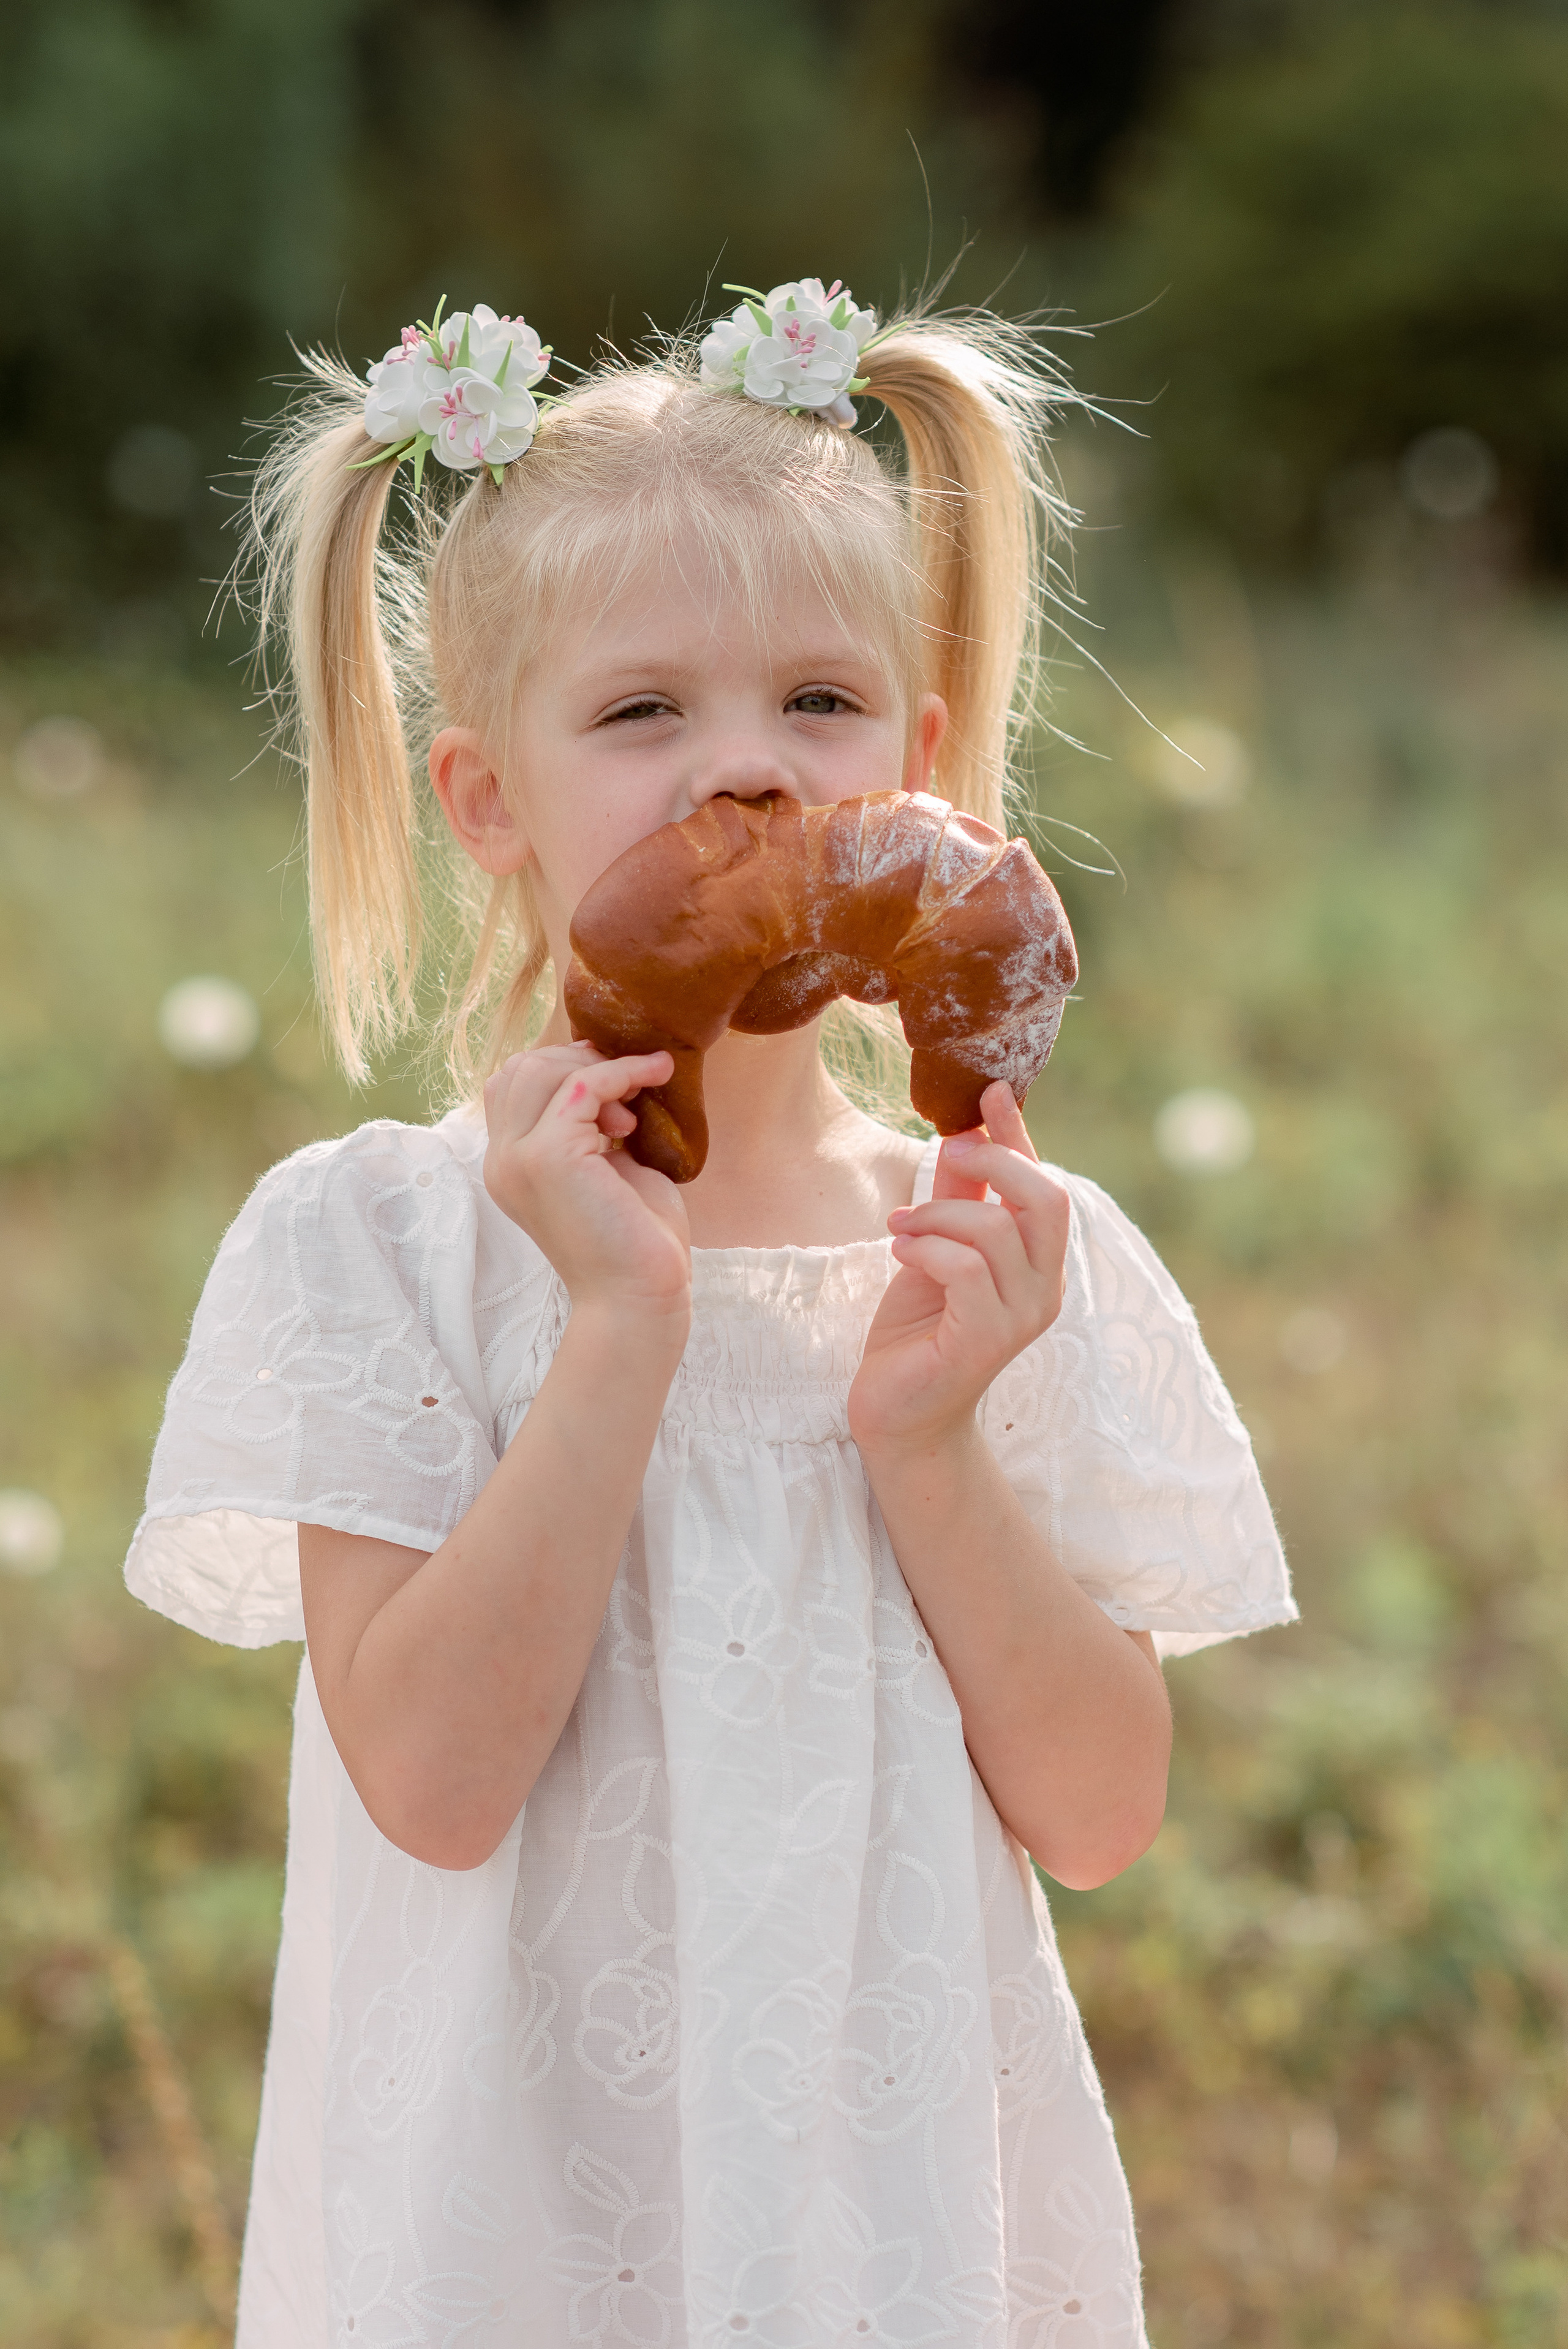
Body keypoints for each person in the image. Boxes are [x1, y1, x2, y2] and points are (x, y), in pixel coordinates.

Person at [126, 280, 1295, 2347]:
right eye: (644, 711)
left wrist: (928, 1438)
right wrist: (614, 1332)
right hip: (509, 2223)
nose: (745, 766)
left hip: (885, 2224)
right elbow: (435, 1780)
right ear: (489, 798)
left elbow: (1105, 1812)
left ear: (920, 765)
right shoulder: (379, 1245)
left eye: (819, 699)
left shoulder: (1000, 1255)